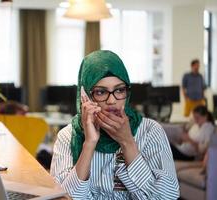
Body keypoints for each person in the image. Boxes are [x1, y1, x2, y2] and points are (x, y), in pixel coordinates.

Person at [50, 50, 179, 199]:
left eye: (119, 90)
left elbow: (167, 196)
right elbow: (62, 197)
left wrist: (127, 142)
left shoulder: (150, 131)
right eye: (100, 92)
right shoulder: (68, 136)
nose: (112, 101)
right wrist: (89, 144)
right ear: (84, 96)